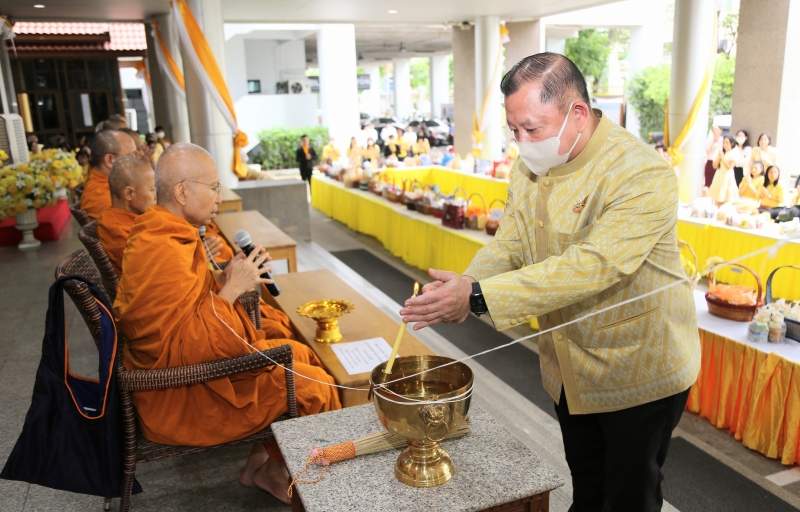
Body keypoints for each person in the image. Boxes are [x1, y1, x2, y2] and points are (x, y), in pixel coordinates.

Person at [399, 53, 699, 511]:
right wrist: (468, 280)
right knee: (587, 485)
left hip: (638, 366)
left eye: (532, 129)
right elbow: (511, 243)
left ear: (577, 114)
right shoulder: (531, 165)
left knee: (629, 495)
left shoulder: (641, 173)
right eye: (514, 130)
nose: (522, 143)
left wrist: (477, 298)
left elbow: (594, 265)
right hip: (568, 365)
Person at [114, 143, 341, 503]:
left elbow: (190, 310)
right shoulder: (161, 245)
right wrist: (231, 289)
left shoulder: (168, 232)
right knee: (313, 385)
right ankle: (317, 491)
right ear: (182, 192)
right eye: (214, 187)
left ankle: (267, 463)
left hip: (195, 369)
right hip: (178, 392)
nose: (220, 197)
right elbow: (182, 345)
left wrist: (226, 280)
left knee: (301, 353)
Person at [96, 157, 157, 277]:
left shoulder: (119, 217)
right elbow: (156, 268)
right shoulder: (121, 233)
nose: (156, 196)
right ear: (129, 193)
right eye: (152, 189)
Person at [80, 130, 137, 220]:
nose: (137, 161)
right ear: (110, 160)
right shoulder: (105, 197)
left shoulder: (109, 182)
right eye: (131, 155)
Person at [708, 136, 739, 205]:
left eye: (727, 143)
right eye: (724, 142)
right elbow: (714, 166)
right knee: (717, 198)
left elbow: (730, 167)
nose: (725, 144)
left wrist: (722, 157)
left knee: (726, 198)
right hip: (719, 175)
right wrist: (719, 157)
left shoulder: (734, 152)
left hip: (727, 176)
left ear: (732, 143)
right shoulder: (721, 152)